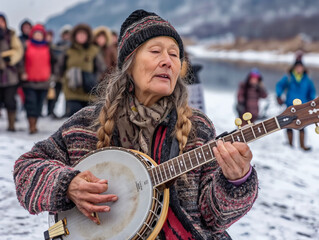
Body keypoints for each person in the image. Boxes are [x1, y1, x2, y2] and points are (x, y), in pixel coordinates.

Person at [14, 10, 258, 239]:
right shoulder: (85, 125)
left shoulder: (198, 127)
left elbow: (214, 218)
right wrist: (68, 185)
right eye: (155, 51)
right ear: (129, 64)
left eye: (174, 54)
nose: (168, 61)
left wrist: (236, 181)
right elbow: (26, 170)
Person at [59, 23, 106, 117]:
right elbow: (60, 67)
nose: (81, 36)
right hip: (72, 91)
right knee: (73, 118)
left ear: (88, 36)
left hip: (89, 91)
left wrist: (94, 79)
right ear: (74, 36)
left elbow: (101, 68)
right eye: (79, 34)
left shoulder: (93, 50)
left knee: (89, 119)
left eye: (83, 34)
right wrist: (65, 79)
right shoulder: (68, 50)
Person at [276, 59, 316, 151]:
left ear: (303, 68)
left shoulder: (307, 79)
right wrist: (279, 95)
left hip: (303, 107)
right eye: (297, 67)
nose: (299, 68)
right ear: (294, 68)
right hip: (290, 105)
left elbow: (312, 92)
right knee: (289, 124)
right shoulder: (289, 77)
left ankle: (302, 145)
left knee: (302, 125)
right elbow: (279, 85)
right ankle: (290, 144)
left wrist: (311, 102)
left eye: (300, 67)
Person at [20, 24, 53, 134]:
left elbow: (55, 62)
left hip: (44, 81)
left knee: (39, 105)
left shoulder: (48, 47)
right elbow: (20, 61)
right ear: (32, 35)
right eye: (36, 34)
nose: (38, 36)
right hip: (29, 81)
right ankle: (31, 126)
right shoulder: (26, 46)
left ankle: (35, 123)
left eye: (40, 34)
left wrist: (53, 74)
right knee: (31, 104)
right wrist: (22, 72)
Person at [0, 13, 24, 131]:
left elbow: (18, 50)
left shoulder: (11, 35)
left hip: (9, 74)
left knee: (10, 100)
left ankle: (11, 125)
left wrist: (11, 59)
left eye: (1, 21)